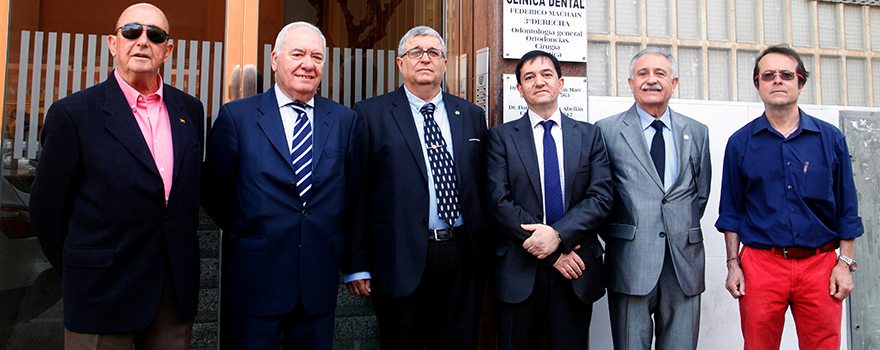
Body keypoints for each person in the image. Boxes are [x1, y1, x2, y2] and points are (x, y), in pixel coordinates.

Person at [29, 3, 203, 348]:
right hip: (100, 293)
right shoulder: (73, 113)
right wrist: (83, 271)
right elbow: (46, 211)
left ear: (167, 50)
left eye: (154, 35)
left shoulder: (191, 111)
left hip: (171, 291)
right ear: (113, 43)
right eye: (131, 32)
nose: (142, 41)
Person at [201, 22, 357, 349]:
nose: (308, 64)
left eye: (317, 56)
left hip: (317, 281)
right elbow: (215, 192)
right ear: (275, 60)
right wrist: (253, 226)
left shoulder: (344, 120)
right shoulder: (236, 117)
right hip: (255, 277)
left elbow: (352, 192)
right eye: (297, 54)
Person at [342, 26, 490, 350]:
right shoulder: (370, 114)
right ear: (400, 63)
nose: (425, 59)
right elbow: (357, 194)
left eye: (433, 52)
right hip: (398, 256)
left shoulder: (471, 115)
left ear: (445, 63)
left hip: (462, 256)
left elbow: (483, 186)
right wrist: (356, 263)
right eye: (415, 52)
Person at [717, 44, 863, 349]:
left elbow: (847, 207)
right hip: (761, 264)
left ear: (801, 82)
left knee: (823, 344)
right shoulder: (740, 143)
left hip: (820, 264)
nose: (778, 81)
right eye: (768, 75)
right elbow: (731, 210)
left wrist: (844, 263)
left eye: (786, 74)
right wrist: (733, 264)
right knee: (759, 344)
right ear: (758, 84)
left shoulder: (830, 139)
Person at [486, 50, 612, 350]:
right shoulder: (501, 138)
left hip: (576, 267)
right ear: (519, 89)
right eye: (529, 77)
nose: (538, 81)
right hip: (519, 270)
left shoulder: (589, 135)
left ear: (561, 82)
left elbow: (601, 197)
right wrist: (551, 251)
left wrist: (558, 235)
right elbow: (497, 201)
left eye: (546, 74)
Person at [595, 47, 711, 350]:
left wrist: (678, 226)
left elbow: (700, 194)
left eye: (660, 73)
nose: (651, 80)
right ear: (631, 83)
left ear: (674, 82)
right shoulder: (606, 131)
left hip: (684, 261)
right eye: (643, 74)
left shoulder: (697, 132)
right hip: (630, 260)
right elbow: (600, 195)